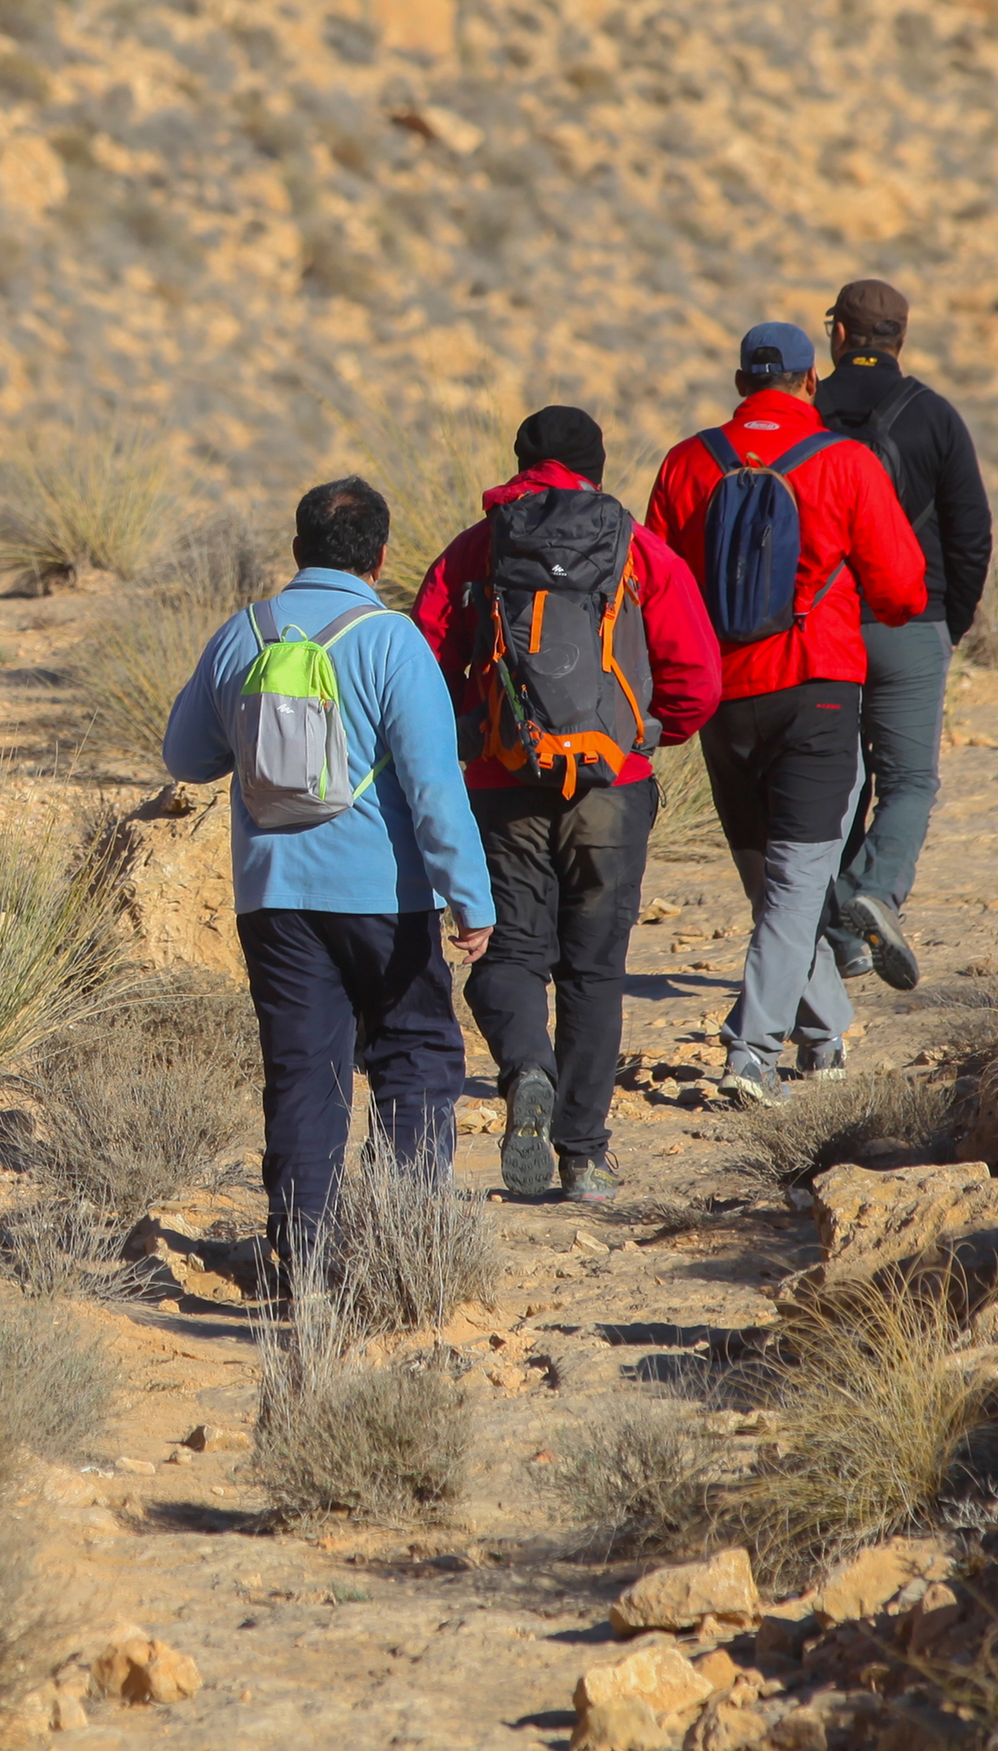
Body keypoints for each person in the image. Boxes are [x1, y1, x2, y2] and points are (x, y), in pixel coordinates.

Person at [162, 477, 496, 1287]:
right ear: (381, 556)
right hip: (386, 898)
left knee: (304, 1075)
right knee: (414, 1058)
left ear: (297, 548)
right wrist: (470, 897)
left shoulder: (243, 633)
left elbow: (184, 756)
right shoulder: (391, 639)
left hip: (272, 896)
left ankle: (303, 1261)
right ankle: (403, 1251)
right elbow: (433, 786)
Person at [409, 406, 722, 1203]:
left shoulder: (476, 548)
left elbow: (425, 654)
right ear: (599, 465)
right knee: (594, 971)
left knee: (509, 953)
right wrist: (648, 735)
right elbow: (698, 676)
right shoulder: (637, 548)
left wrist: (475, 733)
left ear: (519, 462)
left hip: (502, 782)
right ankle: (583, 1156)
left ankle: (526, 1072)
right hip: (610, 788)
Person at [640, 323, 929, 1106]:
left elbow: (650, 590)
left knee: (778, 891)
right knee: (798, 886)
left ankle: (824, 1032)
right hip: (818, 688)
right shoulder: (845, 460)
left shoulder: (685, 462)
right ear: (810, 383)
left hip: (720, 699)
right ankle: (750, 1053)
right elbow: (904, 588)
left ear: (741, 383)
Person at [807, 279, 990, 996]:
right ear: (901, 339)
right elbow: (970, 532)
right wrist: (952, 620)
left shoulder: (807, 416)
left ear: (839, 335)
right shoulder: (935, 417)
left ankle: (836, 930)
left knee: (833, 787)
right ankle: (876, 892)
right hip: (912, 621)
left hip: (820, 628)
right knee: (909, 779)